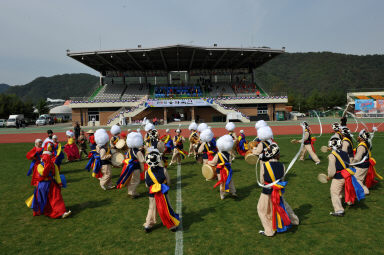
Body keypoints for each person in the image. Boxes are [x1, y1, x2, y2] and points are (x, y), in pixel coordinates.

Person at [257, 143, 299, 236]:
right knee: (283, 205)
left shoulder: (264, 165)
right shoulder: (282, 165)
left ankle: (269, 231)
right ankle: (294, 220)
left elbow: (262, 180)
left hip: (267, 191)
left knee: (262, 209)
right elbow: (282, 179)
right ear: (276, 155)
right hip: (278, 191)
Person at [25, 144, 71, 219]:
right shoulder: (40, 166)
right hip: (42, 185)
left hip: (51, 184)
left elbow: (57, 175)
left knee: (57, 198)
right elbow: (43, 173)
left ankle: (61, 212)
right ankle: (47, 210)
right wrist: (47, 166)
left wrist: (59, 183)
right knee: (43, 199)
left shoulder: (54, 165)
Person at [326, 136, 365, 217]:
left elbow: (332, 170)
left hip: (338, 177)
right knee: (345, 189)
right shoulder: (344, 153)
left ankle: (339, 210)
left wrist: (329, 176)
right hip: (347, 175)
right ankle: (350, 202)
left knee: (334, 192)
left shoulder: (332, 155)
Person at [143, 149, 180, 232]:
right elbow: (169, 182)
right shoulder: (163, 170)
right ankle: (172, 226)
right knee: (167, 208)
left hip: (152, 194)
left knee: (151, 209)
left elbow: (146, 185)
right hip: (163, 193)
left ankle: (148, 225)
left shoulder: (147, 172)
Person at [352, 130, 382, 194]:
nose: (357, 137)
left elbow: (358, 158)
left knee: (357, 179)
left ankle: (365, 191)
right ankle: (365, 191)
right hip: (365, 164)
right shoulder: (365, 144)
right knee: (360, 179)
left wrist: (351, 163)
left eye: (359, 136)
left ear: (361, 138)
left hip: (361, 165)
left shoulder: (361, 146)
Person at [116, 132, 145, 198]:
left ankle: (131, 191)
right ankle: (132, 193)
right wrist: (142, 169)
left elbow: (127, 157)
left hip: (129, 168)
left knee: (131, 180)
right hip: (136, 168)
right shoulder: (138, 152)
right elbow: (142, 161)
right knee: (136, 180)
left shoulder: (129, 150)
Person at [209, 135, 237, 200]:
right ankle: (233, 192)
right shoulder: (228, 154)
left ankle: (222, 195)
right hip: (228, 169)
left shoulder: (218, 154)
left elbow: (213, 162)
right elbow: (230, 162)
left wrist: (208, 162)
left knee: (221, 181)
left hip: (220, 170)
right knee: (230, 180)